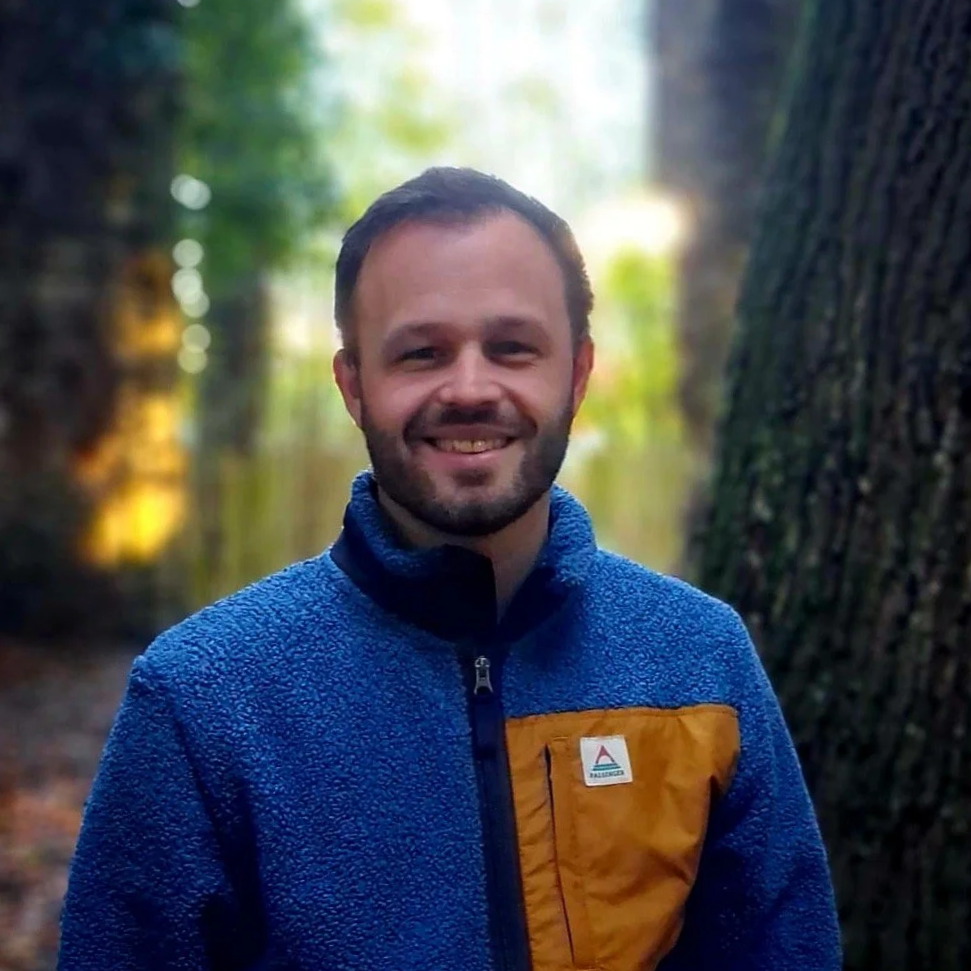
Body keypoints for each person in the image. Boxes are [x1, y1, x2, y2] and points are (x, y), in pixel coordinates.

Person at [59, 167, 841, 971]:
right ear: (353, 385)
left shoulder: (698, 661)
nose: (470, 389)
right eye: (422, 352)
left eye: (510, 348)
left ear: (575, 375)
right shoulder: (202, 698)